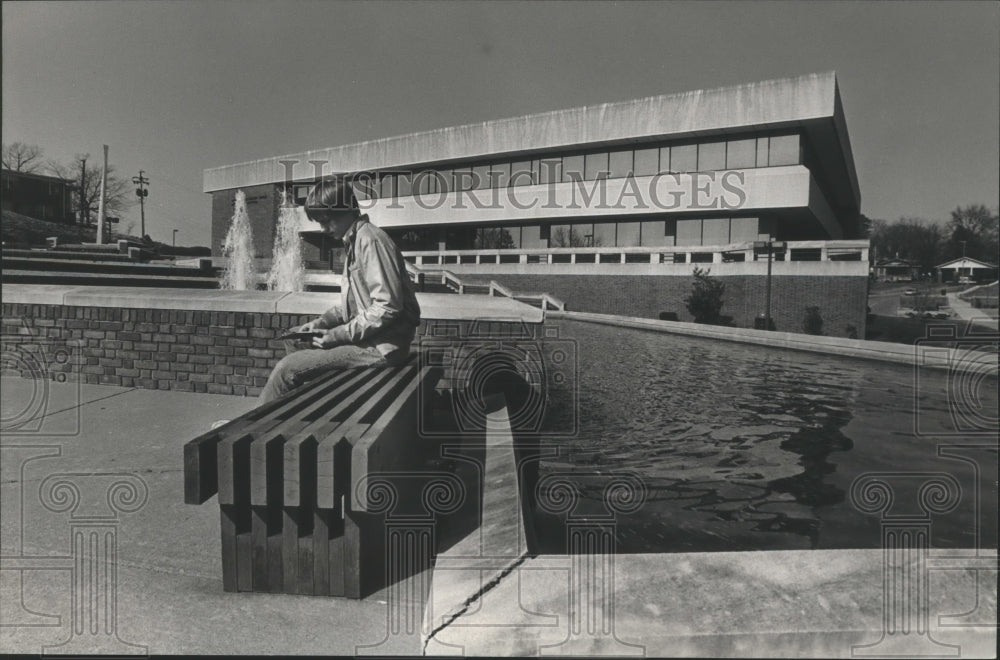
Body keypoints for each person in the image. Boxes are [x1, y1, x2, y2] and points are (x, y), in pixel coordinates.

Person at [257, 176, 421, 405]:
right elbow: (354, 306)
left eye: (326, 220)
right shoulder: (355, 240)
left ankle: (251, 426)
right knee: (296, 339)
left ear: (346, 210)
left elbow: (387, 307)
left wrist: (337, 335)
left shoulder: (370, 241)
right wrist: (321, 323)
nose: (323, 228)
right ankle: (306, 406)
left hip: (382, 347)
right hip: (375, 340)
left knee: (286, 369)